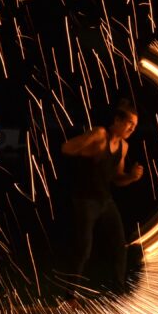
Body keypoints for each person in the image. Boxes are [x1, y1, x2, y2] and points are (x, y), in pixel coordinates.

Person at [60, 99, 144, 294]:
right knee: (84, 250)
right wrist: (84, 151)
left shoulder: (123, 147)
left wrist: (131, 177)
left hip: (105, 201)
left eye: (135, 126)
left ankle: (118, 292)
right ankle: (70, 295)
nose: (132, 129)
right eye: (129, 124)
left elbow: (117, 179)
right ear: (117, 120)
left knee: (119, 246)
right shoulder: (99, 134)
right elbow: (66, 148)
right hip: (85, 200)